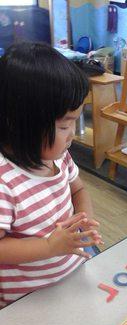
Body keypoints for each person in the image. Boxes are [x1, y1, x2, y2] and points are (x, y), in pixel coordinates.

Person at [0, 42, 103, 308]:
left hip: (72, 275)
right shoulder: (5, 182)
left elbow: (78, 190)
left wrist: (85, 220)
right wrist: (48, 247)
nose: (73, 134)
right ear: (20, 121)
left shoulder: (57, 156)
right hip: (29, 300)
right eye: (64, 125)